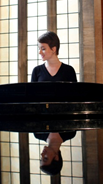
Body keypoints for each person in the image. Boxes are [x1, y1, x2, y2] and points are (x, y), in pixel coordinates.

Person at [31, 31, 77, 175]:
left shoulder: (69, 71)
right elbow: (31, 100)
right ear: (56, 157)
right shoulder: (37, 71)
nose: (40, 52)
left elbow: (75, 99)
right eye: (45, 158)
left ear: (54, 49)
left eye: (43, 48)